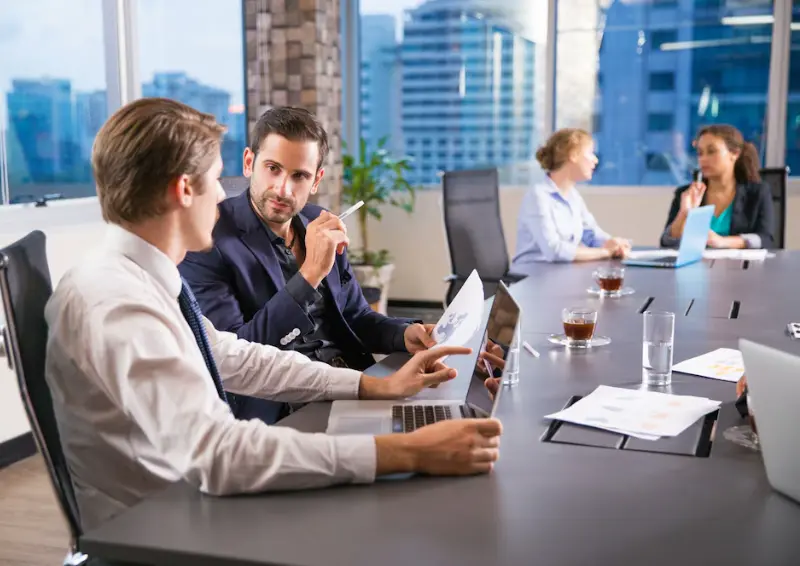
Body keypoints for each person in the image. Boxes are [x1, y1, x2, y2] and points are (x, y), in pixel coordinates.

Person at [44, 98, 503, 531]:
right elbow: (217, 454)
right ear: (185, 189)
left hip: (189, 501)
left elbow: (232, 356)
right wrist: (404, 452)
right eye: (217, 180)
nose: (223, 199)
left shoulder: (143, 278)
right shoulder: (117, 302)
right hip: (166, 526)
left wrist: (372, 385)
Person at [179, 107, 435, 425]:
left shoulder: (319, 223)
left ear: (316, 181)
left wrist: (405, 334)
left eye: (299, 175)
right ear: (249, 163)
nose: (283, 189)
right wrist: (309, 274)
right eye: (273, 168)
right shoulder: (207, 239)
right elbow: (238, 356)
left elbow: (356, 317)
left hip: (354, 383)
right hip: (283, 408)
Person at [511, 128, 631, 267]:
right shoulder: (538, 196)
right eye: (591, 153)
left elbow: (591, 234)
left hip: (559, 273)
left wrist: (613, 243)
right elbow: (554, 251)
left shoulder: (573, 196)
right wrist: (606, 252)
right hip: (532, 277)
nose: (596, 160)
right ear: (573, 155)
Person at [660, 125, 774, 249]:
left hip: (739, 267)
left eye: (711, 151)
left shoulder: (757, 192)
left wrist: (723, 242)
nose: (703, 159)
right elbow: (667, 242)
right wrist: (684, 214)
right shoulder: (686, 193)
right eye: (700, 153)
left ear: (734, 153)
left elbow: (765, 239)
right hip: (697, 266)